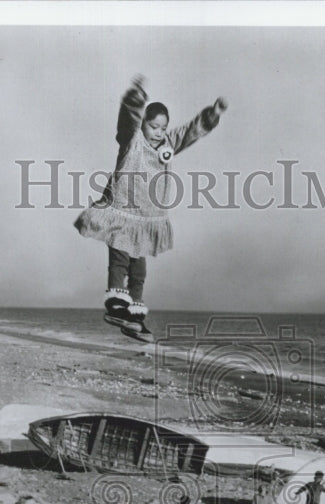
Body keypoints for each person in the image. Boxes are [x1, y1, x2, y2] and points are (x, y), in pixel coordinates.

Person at [74, 74, 227, 337]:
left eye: (163, 128)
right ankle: (116, 306)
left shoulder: (167, 145)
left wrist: (212, 115)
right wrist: (135, 99)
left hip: (147, 217)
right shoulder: (132, 140)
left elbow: (190, 132)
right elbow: (127, 120)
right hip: (123, 209)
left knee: (140, 270)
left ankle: (134, 316)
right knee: (120, 258)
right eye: (154, 126)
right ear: (144, 124)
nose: (159, 132)